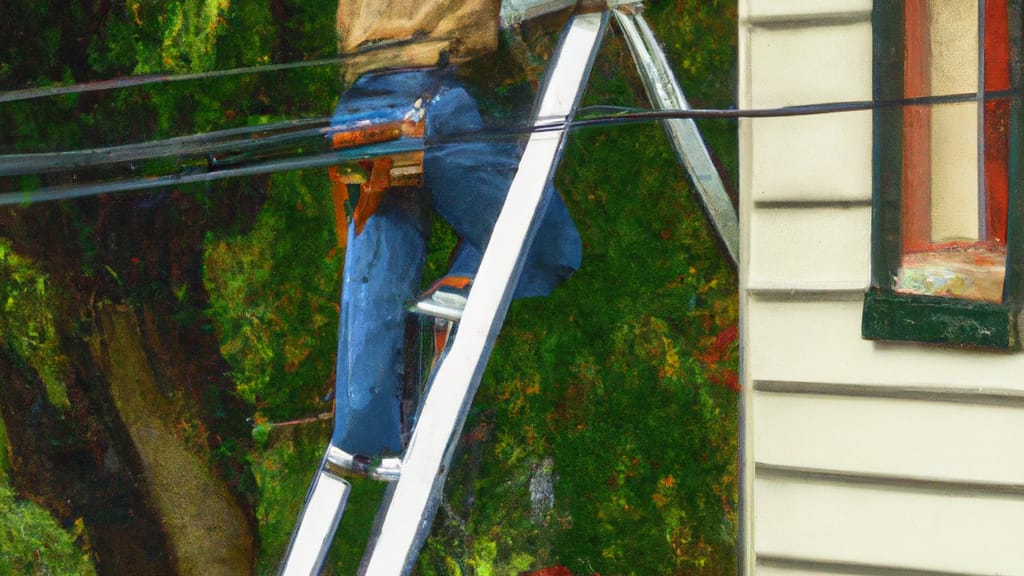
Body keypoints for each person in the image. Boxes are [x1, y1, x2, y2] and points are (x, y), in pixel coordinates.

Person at [328, 0, 583, 459]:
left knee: (375, 281)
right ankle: (461, 287)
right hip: (430, 99)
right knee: (548, 246)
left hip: (356, 114)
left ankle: (363, 441)